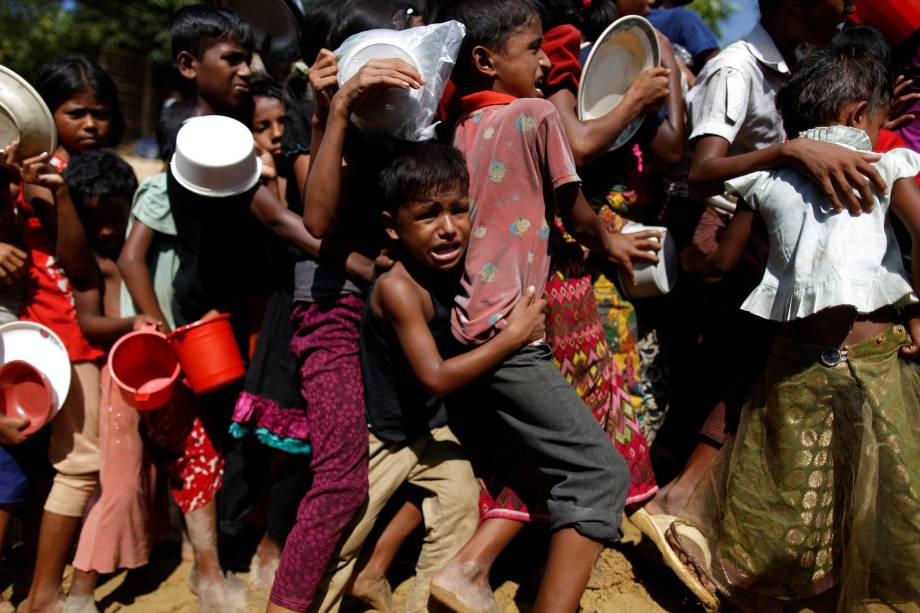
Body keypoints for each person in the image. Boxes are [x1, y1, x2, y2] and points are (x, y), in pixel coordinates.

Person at [670, 36, 920, 610]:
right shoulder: (889, 165)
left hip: (796, 369)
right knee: (880, 501)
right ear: (861, 116)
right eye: (881, 116)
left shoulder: (768, 180)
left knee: (791, 497)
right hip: (874, 363)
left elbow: (717, 227)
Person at [263, 1, 413, 610]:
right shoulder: (312, 114)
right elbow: (318, 219)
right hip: (333, 310)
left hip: (395, 310)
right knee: (342, 482)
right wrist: (336, 109)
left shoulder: (409, 115)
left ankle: (369, 574)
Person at [14, 55, 123, 613]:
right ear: (46, 114)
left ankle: (37, 587)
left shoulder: (89, 174)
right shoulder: (34, 173)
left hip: (74, 336)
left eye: (100, 114)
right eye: (75, 112)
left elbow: (86, 265)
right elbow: (75, 268)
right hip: (51, 337)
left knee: (52, 467)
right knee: (76, 465)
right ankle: (40, 596)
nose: (90, 125)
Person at [58, 151, 158, 613]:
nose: (104, 230)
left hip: (144, 373)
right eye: (93, 221)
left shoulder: (137, 243)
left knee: (140, 475)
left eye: (114, 218)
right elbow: (90, 323)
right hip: (115, 378)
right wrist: (137, 321)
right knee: (116, 484)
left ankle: (131, 560)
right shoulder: (92, 261)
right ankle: (80, 594)